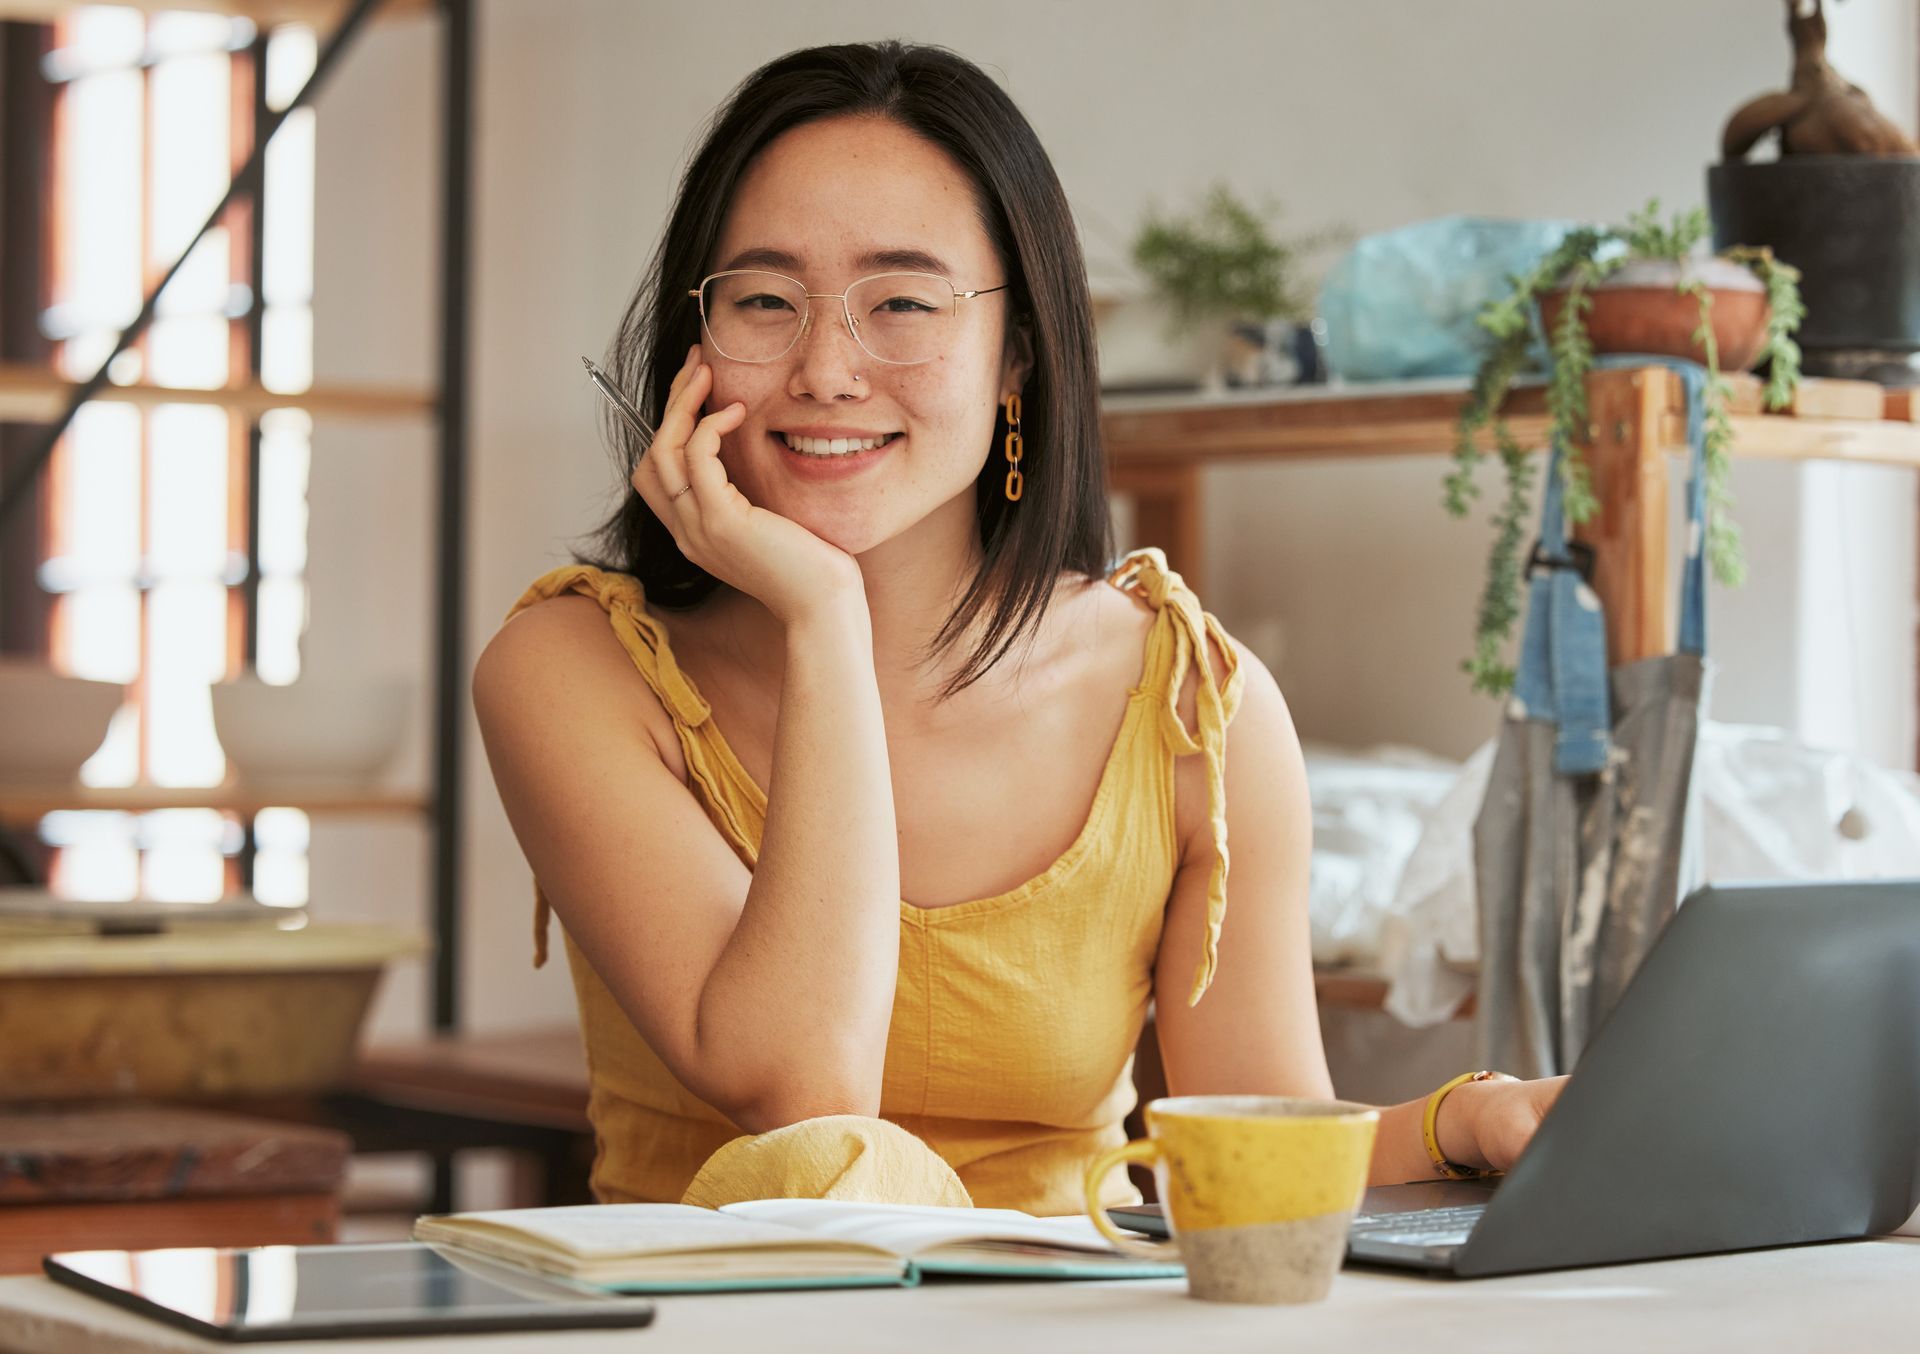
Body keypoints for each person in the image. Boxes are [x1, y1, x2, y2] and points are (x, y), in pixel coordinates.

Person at [472, 39, 1564, 1216]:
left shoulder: (1194, 709)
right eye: (764, 302)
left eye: (900, 301)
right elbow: (802, 1089)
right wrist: (825, 614)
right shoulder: (575, 670)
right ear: (697, 343)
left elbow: (1251, 1164)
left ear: (1020, 356)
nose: (827, 368)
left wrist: (1471, 1115)